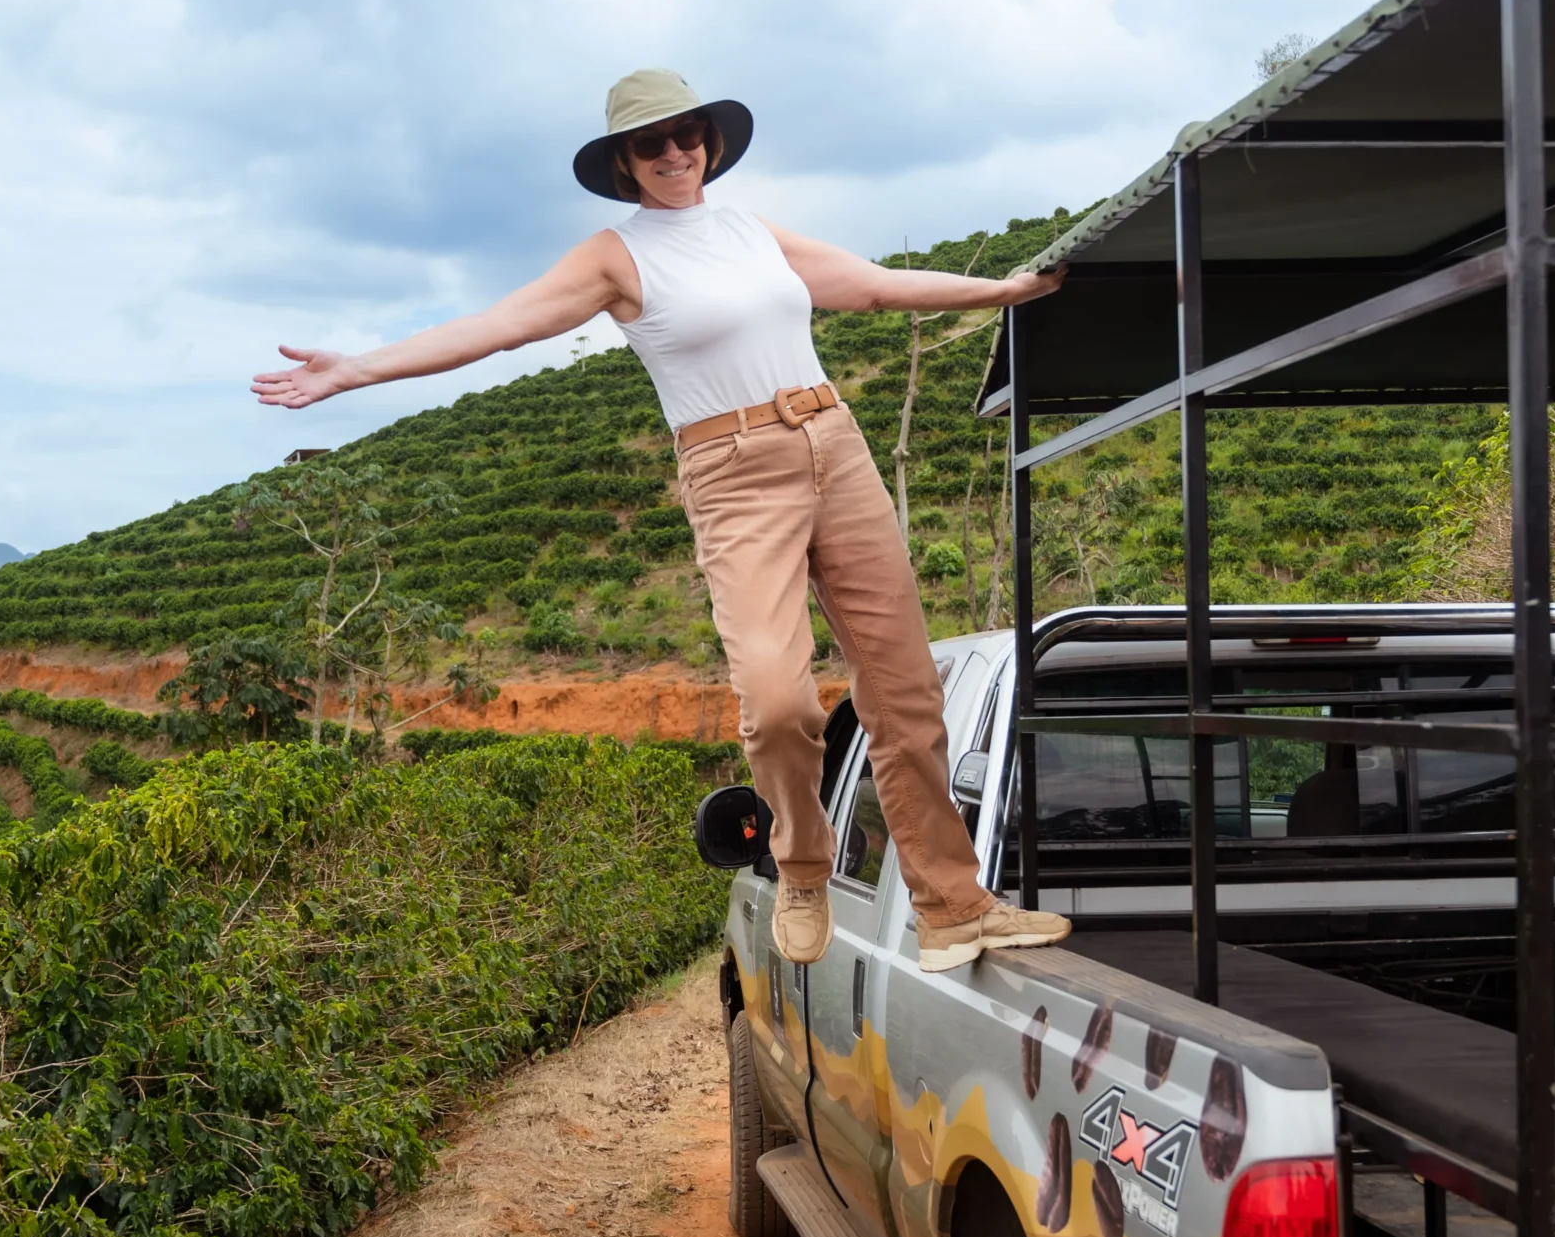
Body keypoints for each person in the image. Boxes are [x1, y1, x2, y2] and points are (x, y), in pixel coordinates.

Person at [254, 70, 1071, 971]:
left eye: (687, 134)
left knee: (905, 693)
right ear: (624, 164)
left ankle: (954, 906)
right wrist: (356, 370)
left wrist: (1004, 289)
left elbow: (872, 286)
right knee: (775, 701)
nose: (675, 152)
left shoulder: (754, 233)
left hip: (834, 444)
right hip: (733, 472)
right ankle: (801, 863)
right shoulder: (616, 257)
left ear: (709, 141)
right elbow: (498, 327)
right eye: (652, 144)